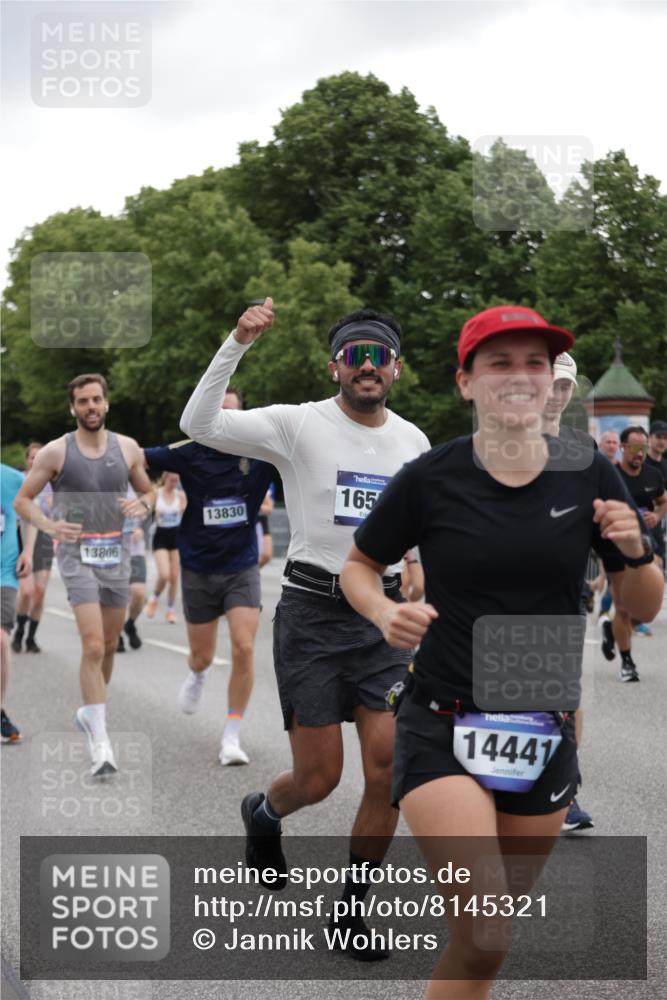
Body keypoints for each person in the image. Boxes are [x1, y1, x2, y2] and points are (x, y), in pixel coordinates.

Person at [340, 304, 663, 997]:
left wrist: (634, 551)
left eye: (534, 363)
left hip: (540, 727)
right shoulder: (431, 476)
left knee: (482, 941)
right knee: (484, 930)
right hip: (441, 720)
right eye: (499, 363)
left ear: (551, 381)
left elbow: (641, 606)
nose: (519, 376)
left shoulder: (587, 474)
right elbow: (358, 566)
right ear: (466, 382)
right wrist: (382, 609)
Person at [180, 298, 430, 960]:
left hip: (380, 620)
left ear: (396, 369)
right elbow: (196, 423)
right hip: (313, 615)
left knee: (388, 771)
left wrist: (417, 569)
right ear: (335, 368)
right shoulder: (296, 425)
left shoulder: (413, 442)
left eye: (379, 355)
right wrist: (236, 340)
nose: (368, 366)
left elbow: (416, 528)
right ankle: (264, 813)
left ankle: (349, 912)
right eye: (356, 355)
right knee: (317, 778)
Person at [14, 373, 154, 775]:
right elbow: (24, 501)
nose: (90, 407)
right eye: (82, 402)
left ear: (106, 403)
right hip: (77, 556)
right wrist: (50, 526)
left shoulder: (127, 448)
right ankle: (102, 742)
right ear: (72, 407)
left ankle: (91, 714)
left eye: (96, 400)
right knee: (92, 645)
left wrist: (143, 507)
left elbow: (149, 492)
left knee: (109, 646)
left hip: (116, 554)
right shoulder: (56, 452)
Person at [144, 384, 274, 766]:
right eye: (218, 411)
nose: (225, 419)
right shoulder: (189, 452)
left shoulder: (260, 455)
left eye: (232, 412)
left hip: (241, 567)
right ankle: (198, 675)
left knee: (244, 648)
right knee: (201, 657)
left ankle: (231, 735)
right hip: (199, 568)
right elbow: (131, 457)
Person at [542, 352, 596, 833]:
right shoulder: (503, 442)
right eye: (550, 383)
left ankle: (567, 791)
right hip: (502, 588)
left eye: (565, 387)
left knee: (563, 689)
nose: (556, 394)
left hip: (565, 588)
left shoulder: (582, 449)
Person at [600, 426, 667, 679]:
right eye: (635, 448)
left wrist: (657, 515)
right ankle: (627, 662)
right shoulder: (611, 476)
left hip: (650, 545)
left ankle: (612, 630)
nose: (640, 453)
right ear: (623, 448)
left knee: (643, 609)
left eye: (643, 448)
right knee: (623, 607)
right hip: (618, 548)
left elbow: (663, 501)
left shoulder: (653, 475)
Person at [2, 463, 35, 742]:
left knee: (1, 640)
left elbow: (29, 512)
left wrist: (27, 550)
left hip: (4, 571)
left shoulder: (12, 479)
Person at [12, 443, 54, 654]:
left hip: (44, 537)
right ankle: (19, 630)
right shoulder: (19, 480)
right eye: (32, 458)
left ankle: (31, 637)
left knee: (40, 590)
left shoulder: (50, 483)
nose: (35, 461)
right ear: (27, 460)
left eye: (40, 458)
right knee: (27, 591)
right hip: (21, 534)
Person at [145, 472, 186, 623]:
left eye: (176, 480)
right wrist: (152, 513)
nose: (174, 483)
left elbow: (186, 514)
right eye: (171, 480)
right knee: (164, 574)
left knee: (175, 577)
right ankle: (154, 598)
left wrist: (182, 509)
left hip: (176, 537)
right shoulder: (157, 494)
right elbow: (146, 511)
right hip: (160, 537)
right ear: (165, 478)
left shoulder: (180, 495)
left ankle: (170, 610)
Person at [117, 485, 150, 652]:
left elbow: (149, 503)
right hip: (113, 553)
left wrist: (141, 528)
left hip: (135, 550)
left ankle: (130, 624)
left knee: (138, 593)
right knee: (117, 597)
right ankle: (116, 634)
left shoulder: (135, 485)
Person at [257, 485, 275, 569]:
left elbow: (269, 509)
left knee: (266, 555)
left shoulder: (266, 483)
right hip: (249, 521)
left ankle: (253, 573)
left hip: (260, 520)